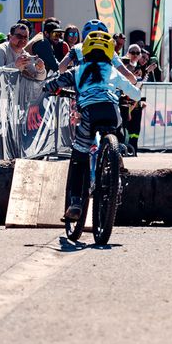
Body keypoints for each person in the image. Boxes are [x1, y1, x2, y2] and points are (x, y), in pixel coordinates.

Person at [44, 30, 141, 222]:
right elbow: (136, 94)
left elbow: (53, 84)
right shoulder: (113, 71)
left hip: (89, 113)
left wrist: (49, 88)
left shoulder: (78, 70)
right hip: (111, 113)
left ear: (86, 50)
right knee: (115, 129)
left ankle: (76, 203)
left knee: (79, 156)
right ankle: (117, 155)